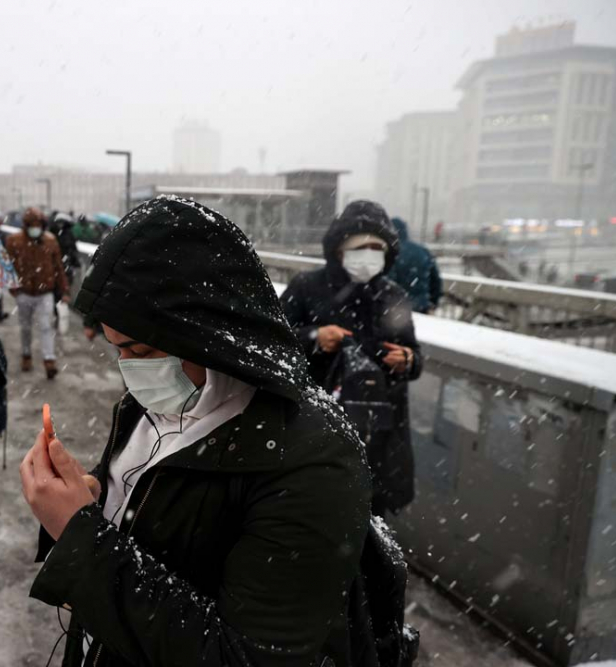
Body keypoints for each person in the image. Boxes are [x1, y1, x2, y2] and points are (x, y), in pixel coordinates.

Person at [20, 196, 374, 666]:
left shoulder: (313, 461)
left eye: (141, 352)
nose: (129, 372)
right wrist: (91, 502)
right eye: (116, 350)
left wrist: (79, 534)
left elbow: (245, 657)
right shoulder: (151, 404)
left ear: (205, 333)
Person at [280, 200, 422, 516]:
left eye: (377, 248)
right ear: (340, 250)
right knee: (312, 511)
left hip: (378, 430)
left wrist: (408, 359)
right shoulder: (307, 286)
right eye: (361, 247)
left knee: (369, 516)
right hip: (315, 424)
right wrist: (314, 338)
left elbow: (415, 355)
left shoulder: (393, 295)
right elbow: (274, 341)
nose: (369, 254)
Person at [4, 207, 70, 379]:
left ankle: (49, 360)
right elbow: (8, 266)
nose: (35, 227)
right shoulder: (14, 241)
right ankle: (26, 354)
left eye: (38, 224)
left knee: (46, 326)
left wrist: (64, 290)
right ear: (26, 225)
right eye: (32, 224)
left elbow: (58, 268)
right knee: (25, 327)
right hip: (24, 291)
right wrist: (13, 288)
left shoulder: (50, 241)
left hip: (45, 292)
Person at [387, 217, 442, 314]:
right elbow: (435, 280)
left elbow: (387, 281)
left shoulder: (389, 252)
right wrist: (433, 303)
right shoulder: (422, 251)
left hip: (395, 311)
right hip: (421, 306)